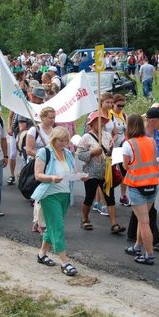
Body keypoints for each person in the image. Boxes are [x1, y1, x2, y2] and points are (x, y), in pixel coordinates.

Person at [32, 126, 83, 276]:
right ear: (53, 139)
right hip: (49, 194)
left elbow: (71, 172)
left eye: (66, 140)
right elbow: (38, 175)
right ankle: (64, 262)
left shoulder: (68, 153)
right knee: (58, 226)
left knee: (52, 226)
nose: (64, 143)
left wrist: (80, 176)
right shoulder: (44, 152)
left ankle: (41, 254)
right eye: (61, 140)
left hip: (65, 194)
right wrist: (52, 178)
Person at [76, 111, 124, 233]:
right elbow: (80, 155)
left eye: (102, 120)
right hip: (91, 172)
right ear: (91, 123)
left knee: (110, 197)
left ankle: (114, 224)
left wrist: (110, 151)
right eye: (97, 120)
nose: (101, 122)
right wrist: (92, 153)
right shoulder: (86, 137)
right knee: (89, 196)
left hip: (106, 171)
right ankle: (85, 219)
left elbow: (110, 151)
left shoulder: (107, 135)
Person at [122, 114, 159, 265]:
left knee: (144, 221)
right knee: (142, 219)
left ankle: (149, 254)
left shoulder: (128, 144)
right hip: (152, 184)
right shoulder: (151, 141)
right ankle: (138, 246)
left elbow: (126, 166)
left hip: (137, 185)